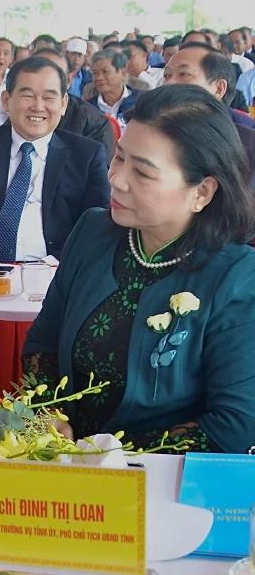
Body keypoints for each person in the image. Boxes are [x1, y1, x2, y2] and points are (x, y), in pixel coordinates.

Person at [23, 85, 255, 453]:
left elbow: (234, 423)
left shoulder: (236, 276)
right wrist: (47, 412)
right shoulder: (92, 233)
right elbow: (43, 343)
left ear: (201, 192)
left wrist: (110, 454)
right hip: (62, 463)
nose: (117, 179)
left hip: (158, 482)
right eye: (118, 158)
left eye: (143, 173)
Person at [0, 57, 110, 261]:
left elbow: (94, 230)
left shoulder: (87, 156)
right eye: (27, 96)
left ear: (63, 104)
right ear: (6, 101)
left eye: (49, 98)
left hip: (55, 273)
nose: (38, 107)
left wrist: (51, 266)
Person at [162, 45, 255, 188]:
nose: (169, 83)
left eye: (184, 74)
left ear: (219, 89)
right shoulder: (155, 131)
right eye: (167, 75)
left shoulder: (247, 144)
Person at [35, 48, 115, 158]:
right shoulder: (19, 111)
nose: (38, 107)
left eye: (55, 75)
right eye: (37, 74)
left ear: (69, 80)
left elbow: (99, 171)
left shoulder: (94, 122)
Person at [88, 50, 140, 128]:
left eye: (105, 71)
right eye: (95, 73)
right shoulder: (88, 108)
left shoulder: (141, 101)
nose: (99, 78)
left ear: (123, 73)